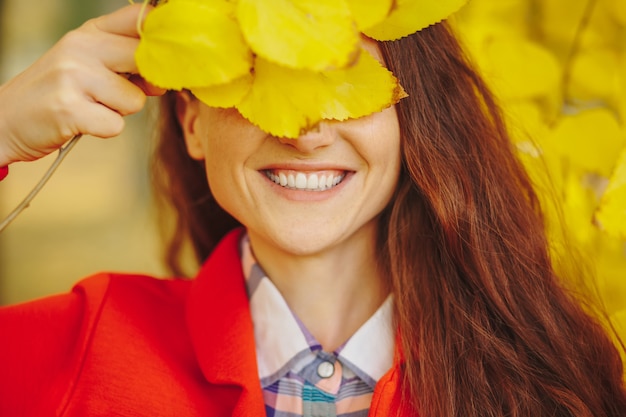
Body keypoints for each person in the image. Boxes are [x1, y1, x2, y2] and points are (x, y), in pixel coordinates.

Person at [0, 3, 625, 417]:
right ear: (192, 121)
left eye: (342, 78)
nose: (306, 131)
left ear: (414, 119)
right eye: (255, 79)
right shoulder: (78, 351)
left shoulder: (549, 376)